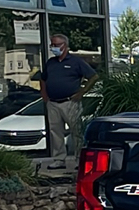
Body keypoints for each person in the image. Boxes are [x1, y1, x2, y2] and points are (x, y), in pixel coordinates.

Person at [30, 34, 98, 168]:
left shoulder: (75, 61)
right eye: (52, 45)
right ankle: (59, 159)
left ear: (64, 46)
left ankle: (80, 159)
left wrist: (81, 92)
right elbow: (43, 78)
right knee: (55, 132)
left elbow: (93, 76)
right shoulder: (51, 63)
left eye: (55, 45)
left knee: (76, 132)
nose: (53, 48)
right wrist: (44, 95)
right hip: (53, 102)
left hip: (70, 103)